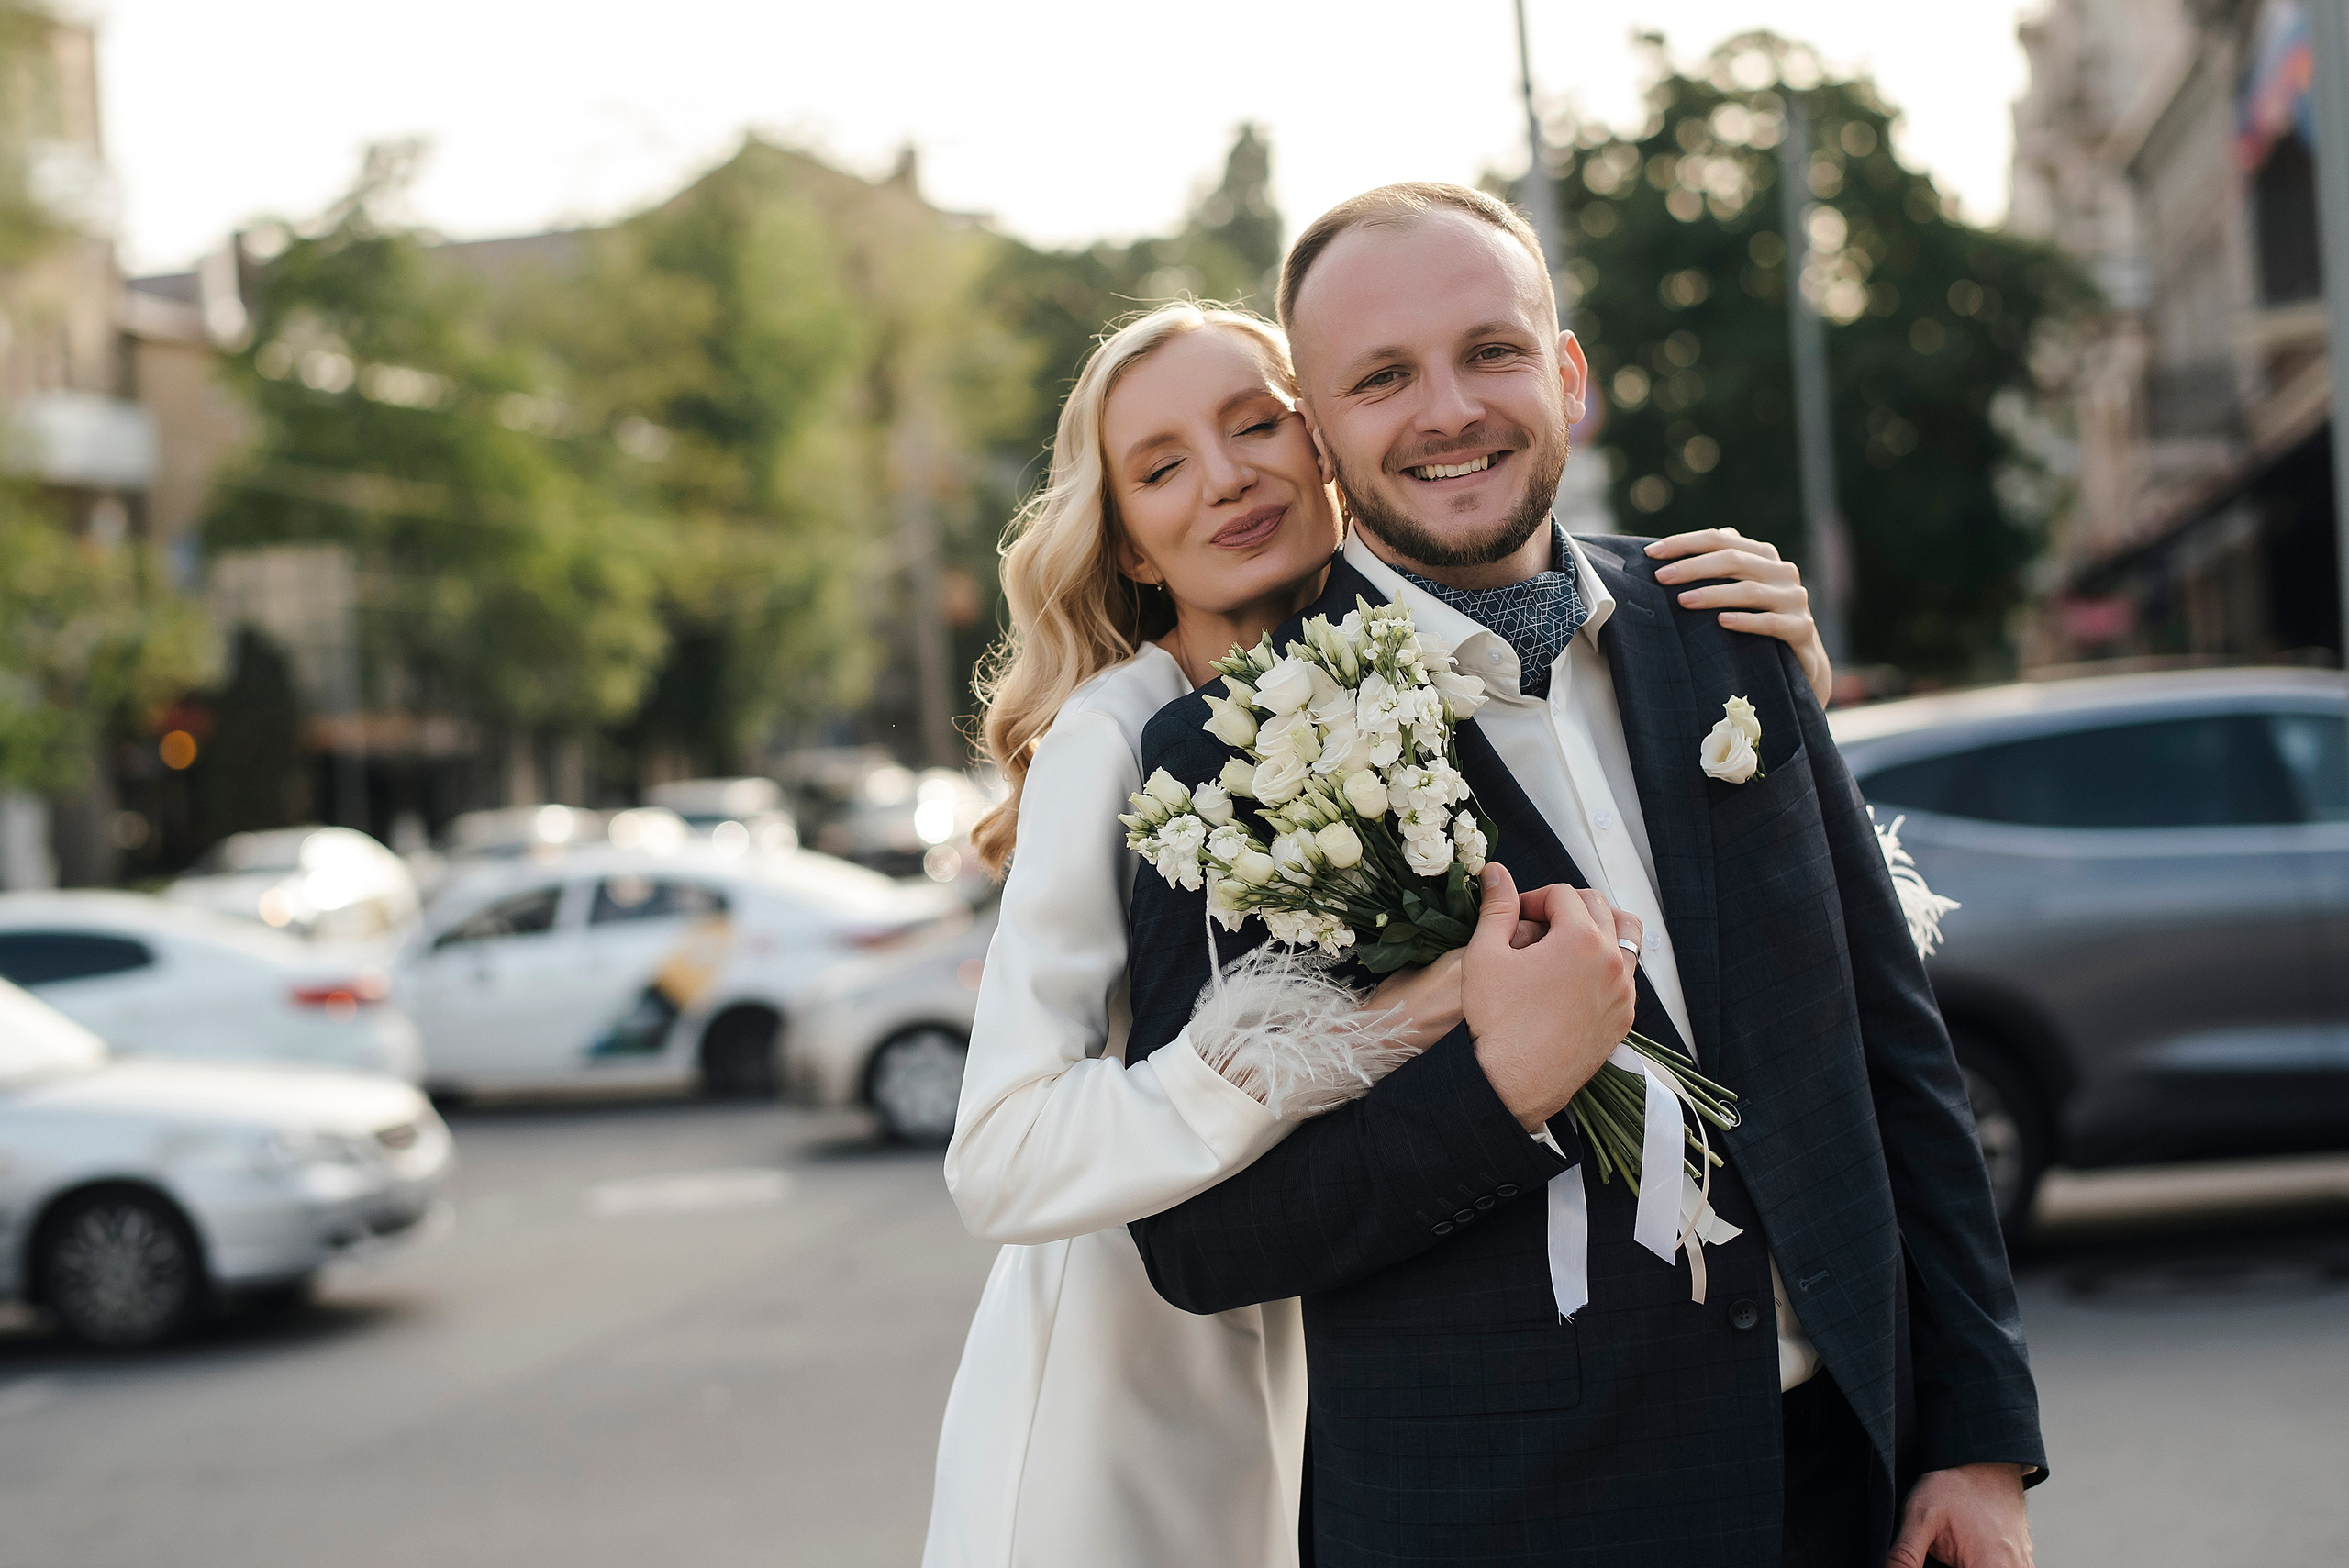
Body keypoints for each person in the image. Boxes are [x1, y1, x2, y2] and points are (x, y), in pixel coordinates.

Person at [1122, 184, 2044, 1568]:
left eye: (1491, 351)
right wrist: (1499, 1088)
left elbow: (1890, 1049)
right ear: (1320, 437)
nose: (1447, 409)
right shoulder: (1231, 756)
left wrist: (1975, 1439)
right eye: (1383, 376)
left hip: (1851, 1491)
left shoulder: (1728, 629)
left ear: (1567, 376)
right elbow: (1202, 1241)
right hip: (1501, 1521)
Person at [923, 299, 1835, 1568]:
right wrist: (1378, 1024)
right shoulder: (1118, 738)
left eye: (1258, 424)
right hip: (1159, 1374)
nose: (1229, 476)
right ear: (1128, 543)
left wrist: (1782, 685)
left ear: (1325, 449)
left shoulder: (1417, 666)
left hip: (1379, 1340)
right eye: (1164, 464)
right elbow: (1003, 1155)